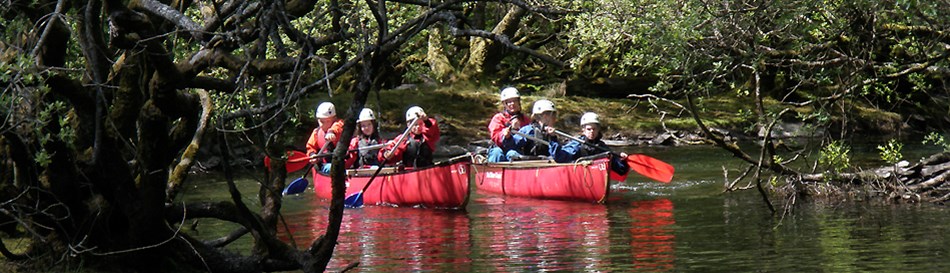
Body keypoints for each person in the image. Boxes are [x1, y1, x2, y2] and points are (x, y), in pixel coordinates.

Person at [562, 112, 630, 176]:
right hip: (578, 177)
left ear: (598, 129)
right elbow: (561, 158)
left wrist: (623, 160)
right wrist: (553, 139)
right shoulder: (576, 144)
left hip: (596, 179)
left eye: (594, 129)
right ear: (583, 130)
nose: (592, 132)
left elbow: (621, 171)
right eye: (589, 129)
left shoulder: (602, 148)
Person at [486, 87, 531, 162]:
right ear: (504, 104)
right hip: (499, 148)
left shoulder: (525, 119)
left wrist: (518, 130)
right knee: (497, 153)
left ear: (518, 102)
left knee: (513, 154)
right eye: (509, 102)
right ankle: (493, 172)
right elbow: (495, 135)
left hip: (516, 148)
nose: (512, 104)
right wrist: (505, 135)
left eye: (514, 101)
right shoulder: (498, 118)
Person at [306, 102, 344, 173]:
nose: (322, 124)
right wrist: (312, 155)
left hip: (342, 163)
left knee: (336, 167)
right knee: (331, 167)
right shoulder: (316, 132)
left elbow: (338, 126)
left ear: (334, 119)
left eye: (327, 121)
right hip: (325, 165)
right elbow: (310, 147)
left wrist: (331, 132)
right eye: (321, 121)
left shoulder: (339, 125)